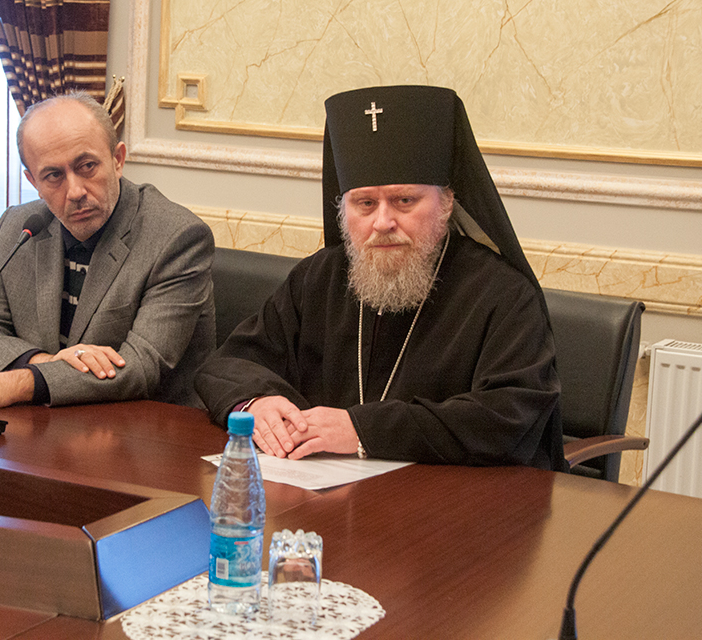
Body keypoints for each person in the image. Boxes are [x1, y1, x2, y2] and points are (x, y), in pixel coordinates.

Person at [195, 85, 566, 471]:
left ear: (447, 203)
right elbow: (228, 363)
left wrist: (363, 430)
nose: (383, 222)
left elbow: (508, 415)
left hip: (453, 496)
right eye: (365, 204)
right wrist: (257, 402)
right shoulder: (319, 277)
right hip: (325, 494)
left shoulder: (503, 293)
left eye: (404, 201)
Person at [0, 92, 215, 409]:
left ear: (118, 159)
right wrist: (45, 362)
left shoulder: (175, 237)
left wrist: (22, 382)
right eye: (53, 175)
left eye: (87, 166)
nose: (75, 191)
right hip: (47, 421)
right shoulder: (19, 228)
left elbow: (141, 367)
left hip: (148, 426)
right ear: (33, 181)